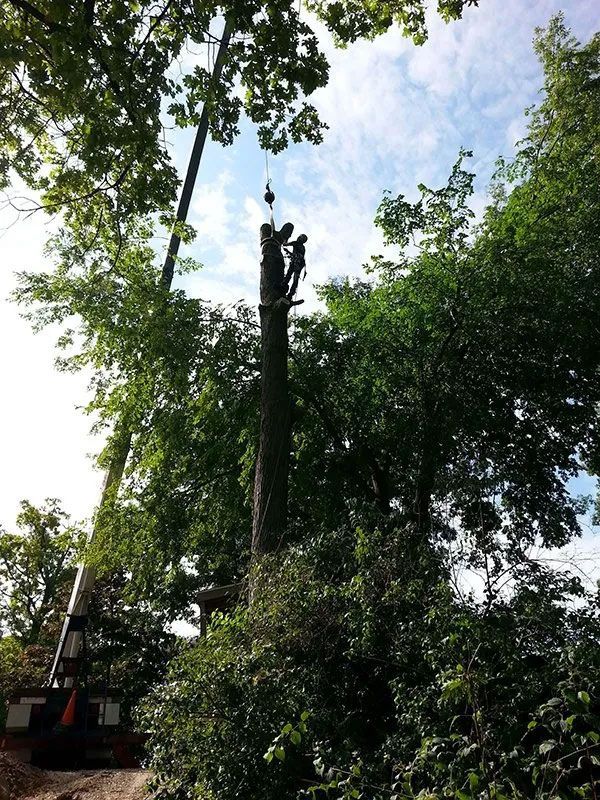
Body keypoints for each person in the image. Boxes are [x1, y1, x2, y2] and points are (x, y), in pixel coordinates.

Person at [282, 234, 307, 300]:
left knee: (290, 275)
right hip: (300, 263)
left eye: (300, 237)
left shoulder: (295, 243)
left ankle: (284, 286)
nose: (298, 237)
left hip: (297, 262)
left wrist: (284, 240)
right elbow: (296, 255)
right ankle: (290, 293)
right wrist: (288, 252)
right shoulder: (303, 248)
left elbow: (285, 244)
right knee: (295, 278)